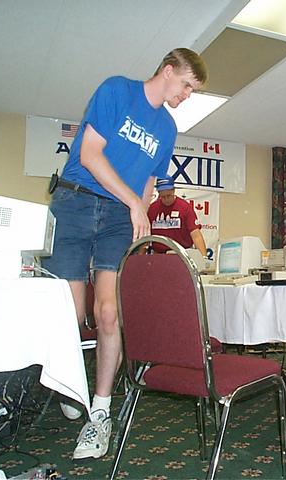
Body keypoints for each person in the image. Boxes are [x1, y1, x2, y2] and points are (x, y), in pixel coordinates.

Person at [42, 48, 208, 460]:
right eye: (186, 84)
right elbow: (89, 154)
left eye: (193, 90)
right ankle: (69, 384)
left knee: (108, 313)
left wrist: (139, 212)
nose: (187, 94)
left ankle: (100, 412)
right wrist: (135, 202)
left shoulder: (167, 128)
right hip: (76, 203)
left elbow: (148, 184)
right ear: (167, 71)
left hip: (119, 217)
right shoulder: (117, 90)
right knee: (70, 315)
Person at [147, 175, 207, 257]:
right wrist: (139, 258)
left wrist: (204, 258)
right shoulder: (152, 208)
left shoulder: (185, 207)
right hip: (158, 256)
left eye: (169, 195)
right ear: (159, 193)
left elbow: (196, 235)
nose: (166, 199)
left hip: (181, 255)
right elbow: (145, 236)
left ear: (174, 190)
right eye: (163, 197)